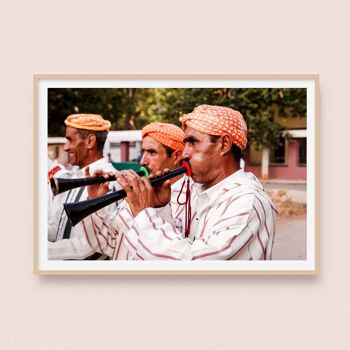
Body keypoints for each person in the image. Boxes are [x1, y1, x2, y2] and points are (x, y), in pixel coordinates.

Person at [115, 105, 277, 260]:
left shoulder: (246, 202)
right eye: (185, 144)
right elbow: (181, 243)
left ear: (224, 144)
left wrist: (143, 213)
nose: (184, 154)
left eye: (193, 143)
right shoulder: (203, 193)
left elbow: (190, 262)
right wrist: (159, 208)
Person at [84, 122, 189, 259]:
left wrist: (153, 210)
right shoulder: (139, 190)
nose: (142, 161)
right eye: (142, 152)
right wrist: (95, 201)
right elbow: (109, 244)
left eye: (152, 152)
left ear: (176, 156)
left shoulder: (188, 200)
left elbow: (171, 255)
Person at [48, 113, 117, 260]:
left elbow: (94, 246)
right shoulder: (73, 177)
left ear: (90, 141)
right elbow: (56, 227)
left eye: (70, 140)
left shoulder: (109, 180)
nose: (66, 147)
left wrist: (44, 251)